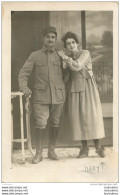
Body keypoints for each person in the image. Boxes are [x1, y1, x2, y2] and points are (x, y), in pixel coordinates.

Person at [18, 26, 65, 164]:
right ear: (42, 38)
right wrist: (24, 87)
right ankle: (39, 153)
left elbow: (68, 73)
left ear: (55, 39)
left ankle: (52, 150)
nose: (50, 39)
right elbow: (23, 73)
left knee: (55, 122)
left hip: (58, 95)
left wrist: (64, 88)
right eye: (48, 36)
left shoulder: (60, 55)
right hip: (40, 96)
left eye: (53, 37)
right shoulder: (35, 55)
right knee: (41, 123)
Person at [57, 32, 105, 158]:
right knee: (78, 117)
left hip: (87, 86)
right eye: (68, 43)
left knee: (91, 116)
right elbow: (67, 77)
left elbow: (77, 66)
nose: (71, 45)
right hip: (74, 88)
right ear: (66, 46)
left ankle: (98, 147)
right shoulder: (67, 58)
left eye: (73, 42)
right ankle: (84, 148)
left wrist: (65, 58)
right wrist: (64, 66)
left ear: (77, 43)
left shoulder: (85, 53)